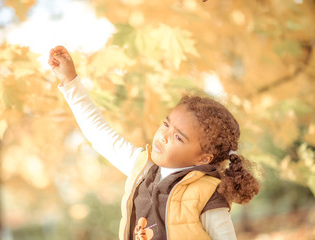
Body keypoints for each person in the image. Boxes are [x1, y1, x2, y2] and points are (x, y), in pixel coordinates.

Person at [48, 45, 260, 240]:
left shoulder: (208, 195)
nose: (164, 135)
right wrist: (70, 82)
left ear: (203, 158)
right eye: (166, 124)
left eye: (178, 137)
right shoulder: (141, 167)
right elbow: (99, 134)